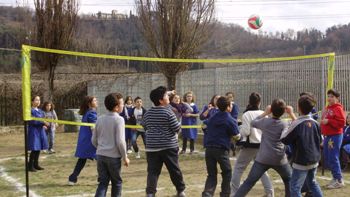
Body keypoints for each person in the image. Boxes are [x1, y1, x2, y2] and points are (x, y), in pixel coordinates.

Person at [234, 99, 292, 197]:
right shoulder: (284, 124)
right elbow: (296, 125)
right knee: (289, 180)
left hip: (263, 158)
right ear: (283, 111)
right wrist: (291, 113)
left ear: (271, 110)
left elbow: (253, 122)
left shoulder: (265, 121)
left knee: (249, 182)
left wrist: (265, 113)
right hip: (279, 159)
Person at [142, 86, 186, 197]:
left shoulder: (147, 113)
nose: (168, 97)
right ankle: (180, 191)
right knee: (174, 170)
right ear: (161, 100)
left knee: (153, 172)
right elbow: (177, 128)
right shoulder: (168, 112)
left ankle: (150, 193)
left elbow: (144, 126)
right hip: (168, 147)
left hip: (152, 148)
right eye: (166, 96)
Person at [231, 92, 274, 197]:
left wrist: (240, 129)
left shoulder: (247, 114)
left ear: (249, 102)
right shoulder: (265, 114)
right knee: (262, 170)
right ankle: (270, 193)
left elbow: (246, 132)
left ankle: (235, 193)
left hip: (250, 146)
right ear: (260, 102)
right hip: (262, 145)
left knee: (239, 168)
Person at [280, 95, 323, 197]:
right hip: (315, 159)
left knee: (295, 187)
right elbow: (321, 140)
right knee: (312, 183)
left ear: (298, 107)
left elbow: (284, 139)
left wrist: (286, 126)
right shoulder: (316, 123)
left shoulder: (296, 123)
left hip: (301, 162)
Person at [92, 93, 130, 197]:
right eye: (122, 103)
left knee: (103, 183)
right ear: (116, 107)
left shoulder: (100, 118)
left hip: (100, 155)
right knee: (117, 183)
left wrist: (101, 148)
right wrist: (125, 157)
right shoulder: (119, 119)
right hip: (113, 157)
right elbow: (121, 141)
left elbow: (93, 139)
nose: (123, 106)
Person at [202, 96, 240, 197]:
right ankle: (225, 194)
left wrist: (208, 132)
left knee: (211, 174)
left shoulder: (213, 116)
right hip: (221, 149)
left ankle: (207, 193)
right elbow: (237, 136)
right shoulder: (229, 119)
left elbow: (204, 125)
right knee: (227, 172)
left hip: (209, 148)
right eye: (231, 104)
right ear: (228, 107)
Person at [68, 96, 98, 185]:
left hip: (85, 140)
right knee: (100, 159)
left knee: (82, 160)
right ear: (89, 103)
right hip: (90, 141)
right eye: (94, 100)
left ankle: (72, 178)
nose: (97, 101)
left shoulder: (87, 112)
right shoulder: (92, 113)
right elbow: (93, 128)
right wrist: (97, 140)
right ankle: (102, 178)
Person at [321, 89, 346, 189]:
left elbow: (341, 123)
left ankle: (339, 180)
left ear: (337, 98)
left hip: (335, 136)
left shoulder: (338, 108)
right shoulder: (328, 108)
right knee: (328, 156)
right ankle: (335, 178)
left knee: (333, 157)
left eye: (332, 96)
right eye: (328, 96)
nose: (329, 98)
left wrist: (329, 121)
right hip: (328, 136)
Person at [27, 96, 49, 172]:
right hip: (34, 131)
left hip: (40, 131)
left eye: (39, 100)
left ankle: (36, 164)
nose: (38, 101)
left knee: (39, 148)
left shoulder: (40, 111)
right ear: (32, 101)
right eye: (36, 100)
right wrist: (43, 122)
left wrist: (44, 125)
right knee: (34, 148)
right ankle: (30, 166)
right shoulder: (30, 110)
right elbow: (32, 121)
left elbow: (43, 119)